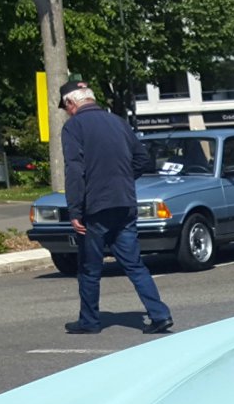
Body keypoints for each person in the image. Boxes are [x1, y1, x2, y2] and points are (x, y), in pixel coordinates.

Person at [58, 79, 173, 335]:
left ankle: (89, 321)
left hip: (95, 207)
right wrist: (122, 179)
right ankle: (159, 314)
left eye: (65, 108)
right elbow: (142, 159)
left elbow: (74, 170)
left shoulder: (74, 127)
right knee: (134, 264)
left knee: (89, 268)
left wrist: (75, 210)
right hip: (125, 203)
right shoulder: (118, 122)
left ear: (71, 102)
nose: (67, 112)